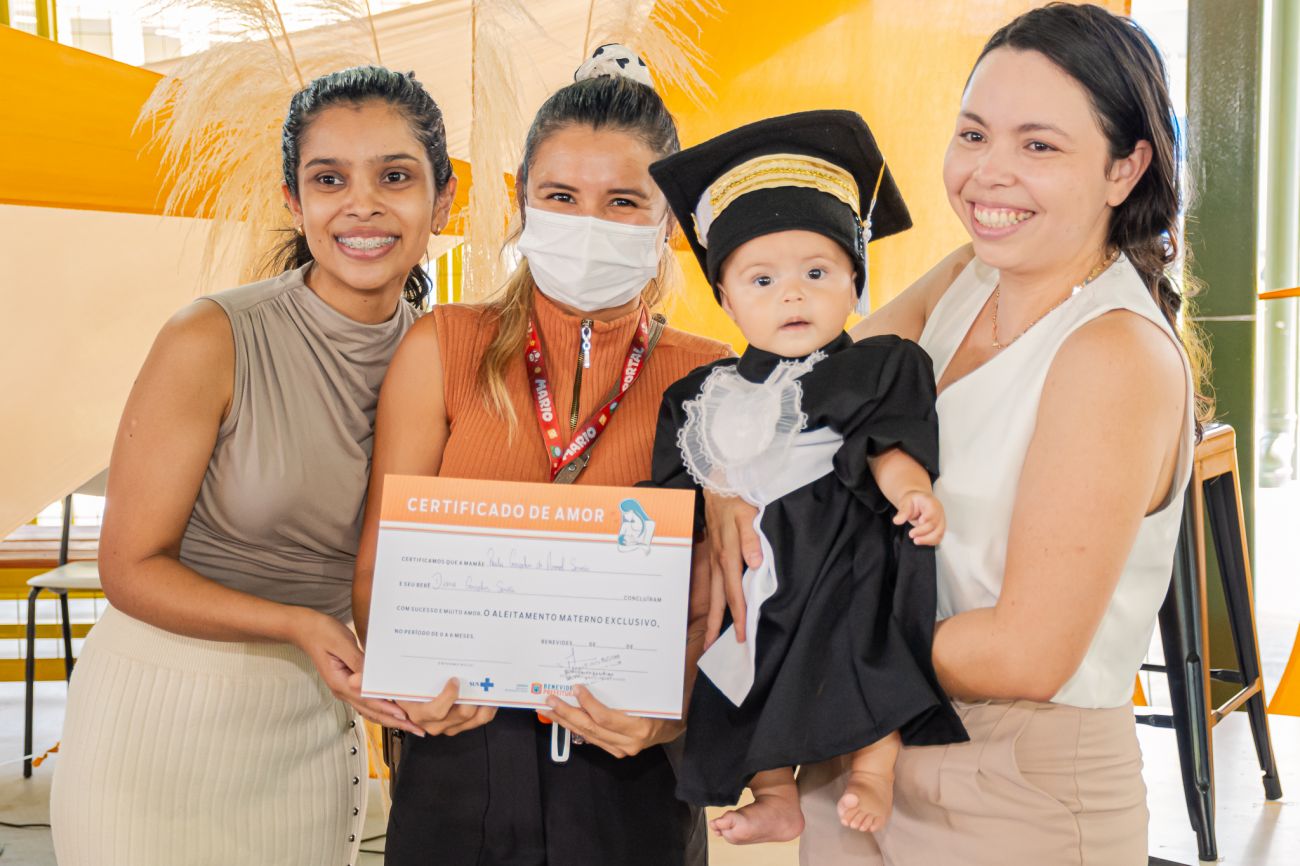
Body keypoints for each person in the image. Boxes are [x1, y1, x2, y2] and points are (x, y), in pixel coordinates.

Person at [703, 5, 1202, 864]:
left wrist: (805, 635)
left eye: (1038, 145)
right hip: (854, 753)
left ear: (1125, 168)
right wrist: (721, 480)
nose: (988, 173)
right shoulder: (970, 277)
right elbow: (806, 388)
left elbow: (1025, 652)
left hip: (1011, 780)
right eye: (973, 134)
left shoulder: (1114, 354)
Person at [50, 66, 455, 866]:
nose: (362, 205)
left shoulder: (446, 359)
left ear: (442, 201)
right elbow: (128, 567)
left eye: (395, 177)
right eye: (329, 179)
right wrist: (299, 623)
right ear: (292, 201)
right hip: (159, 717)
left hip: (312, 725)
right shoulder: (212, 338)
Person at [351, 48, 731, 866]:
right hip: (459, 761)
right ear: (522, 197)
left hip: (630, 773)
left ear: (670, 218)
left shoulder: (713, 376)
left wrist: (676, 708)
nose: (588, 223)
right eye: (561, 196)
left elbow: (734, 598)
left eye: (623, 201)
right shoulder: (444, 346)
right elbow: (379, 566)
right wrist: (410, 683)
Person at [646, 110, 967, 846]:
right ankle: (774, 792)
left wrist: (912, 492)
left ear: (856, 283)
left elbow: (886, 443)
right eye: (762, 279)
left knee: (863, 645)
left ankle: (874, 770)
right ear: (726, 299)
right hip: (755, 576)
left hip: (840, 558)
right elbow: (679, 492)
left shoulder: (877, 366)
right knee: (742, 670)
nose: (792, 295)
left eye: (817, 273)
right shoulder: (701, 396)